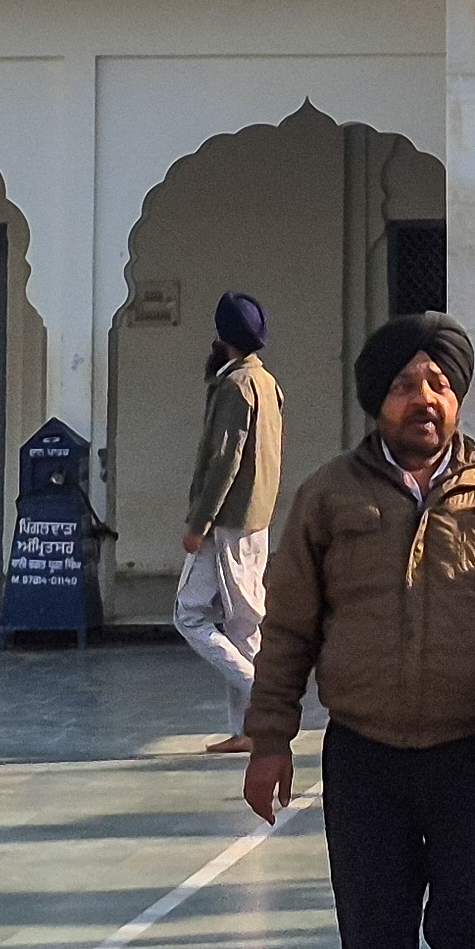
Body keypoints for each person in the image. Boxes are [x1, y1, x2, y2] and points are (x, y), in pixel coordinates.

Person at [244, 313, 475, 949]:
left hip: (474, 756)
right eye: (404, 384)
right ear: (377, 399)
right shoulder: (328, 496)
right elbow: (288, 629)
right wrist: (269, 740)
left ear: (457, 396)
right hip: (368, 761)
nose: (424, 398)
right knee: (375, 944)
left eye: (438, 383)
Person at [176, 289, 286, 749]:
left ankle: (263, 695)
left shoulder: (237, 386)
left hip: (228, 522)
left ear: (223, 337)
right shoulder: (267, 382)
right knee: (243, 626)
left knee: (188, 615)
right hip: (255, 520)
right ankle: (249, 732)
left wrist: (199, 523)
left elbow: (224, 460)